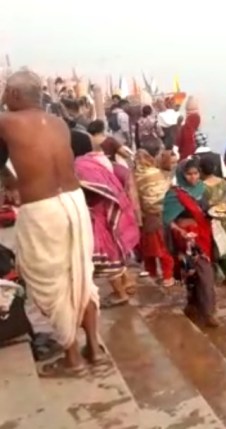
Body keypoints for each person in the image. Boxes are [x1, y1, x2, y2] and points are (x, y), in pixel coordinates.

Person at [0, 70, 101, 374]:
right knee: (81, 274)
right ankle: (93, 347)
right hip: (74, 202)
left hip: (42, 208)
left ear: (14, 95)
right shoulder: (58, 122)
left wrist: (9, 180)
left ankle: (73, 358)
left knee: (51, 282)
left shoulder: (6, 121)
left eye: (4, 91)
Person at [76, 120, 141, 308]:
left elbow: (93, 188)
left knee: (108, 257)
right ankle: (127, 282)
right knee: (117, 251)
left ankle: (120, 293)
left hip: (101, 214)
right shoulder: (99, 159)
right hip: (114, 209)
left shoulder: (82, 166)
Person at [163, 159, 219, 327]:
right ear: (182, 174)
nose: (193, 177)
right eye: (189, 174)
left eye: (196, 173)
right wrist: (180, 231)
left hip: (204, 235)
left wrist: (213, 213)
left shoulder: (202, 189)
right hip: (186, 239)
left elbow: (206, 210)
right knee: (199, 273)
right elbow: (168, 219)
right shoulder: (174, 194)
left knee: (199, 272)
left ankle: (197, 307)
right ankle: (207, 312)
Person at [134, 144, 174, 287]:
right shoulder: (156, 173)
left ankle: (151, 273)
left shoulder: (135, 175)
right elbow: (165, 193)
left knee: (148, 249)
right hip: (159, 215)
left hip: (143, 217)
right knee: (163, 248)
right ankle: (168, 276)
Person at [199, 156, 226, 287]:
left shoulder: (202, 187)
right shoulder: (222, 182)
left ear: (200, 170)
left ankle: (214, 277)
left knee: (213, 248)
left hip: (210, 221)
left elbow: (202, 207)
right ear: (215, 168)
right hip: (224, 219)